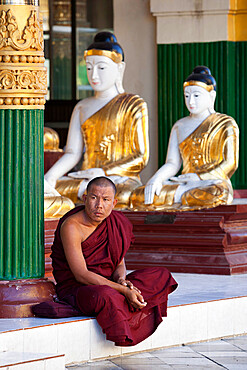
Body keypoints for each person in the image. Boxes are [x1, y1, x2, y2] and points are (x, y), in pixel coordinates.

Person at [51, 176, 177, 346]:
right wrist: (123, 291)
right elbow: (81, 275)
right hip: (80, 289)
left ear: (114, 203)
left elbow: (117, 260)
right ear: (85, 198)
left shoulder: (115, 222)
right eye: (94, 198)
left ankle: (123, 303)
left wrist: (122, 281)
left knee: (161, 275)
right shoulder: (72, 226)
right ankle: (126, 304)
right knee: (107, 295)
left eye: (105, 199)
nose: (99, 205)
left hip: (110, 284)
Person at [45, 32, 149, 209]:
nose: (94, 75)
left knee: (121, 194)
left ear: (119, 68)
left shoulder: (133, 104)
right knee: (52, 189)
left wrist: (103, 172)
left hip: (120, 178)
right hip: (84, 178)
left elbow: (140, 156)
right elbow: (72, 153)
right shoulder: (82, 107)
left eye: (101, 68)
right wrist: (49, 178)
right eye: (89, 68)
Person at [130, 66, 239, 211]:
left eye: (196, 96)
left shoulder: (225, 123)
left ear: (211, 96)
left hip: (211, 183)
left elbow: (230, 163)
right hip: (184, 184)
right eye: (187, 96)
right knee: (137, 196)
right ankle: (183, 197)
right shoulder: (179, 126)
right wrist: (156, 178)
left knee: (219, 193)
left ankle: (181, 198)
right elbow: (172, 163)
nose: (191, 101)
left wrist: (199, 177)